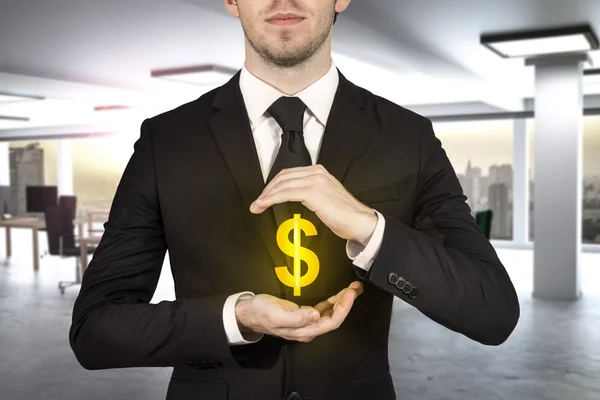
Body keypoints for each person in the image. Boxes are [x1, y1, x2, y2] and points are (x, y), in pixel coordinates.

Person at [69, 0, 520, 399]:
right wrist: (236, 317)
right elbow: (95, 330)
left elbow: (493, 311)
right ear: (231, 0)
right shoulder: (166, 141)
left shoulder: (408, 138)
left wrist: (370, 228)